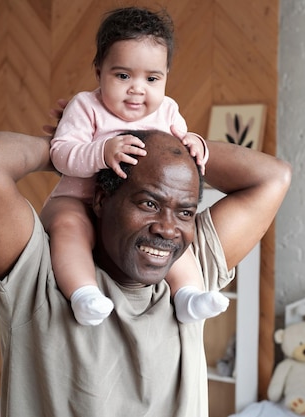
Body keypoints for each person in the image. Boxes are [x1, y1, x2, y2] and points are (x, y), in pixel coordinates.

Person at [0, 128, 291, 416]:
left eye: (186, 212)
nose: (168, 230)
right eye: (148, 204)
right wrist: (75, 150)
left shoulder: (190, 277)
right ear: (101, 199)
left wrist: (184, 142)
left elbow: (274, 177)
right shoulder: (41, 276)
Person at [44, 6, 227, 326]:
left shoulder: (167, 111)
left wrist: (195, 143)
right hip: (77, 199)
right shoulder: (86, 106)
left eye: (152, 78)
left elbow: (179, 145)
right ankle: (83, 294)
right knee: (68, 229)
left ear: (166, 77)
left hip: (136, 213)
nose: (137, 88)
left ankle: (188, 297)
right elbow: (61, 153)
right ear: (99, 70)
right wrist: (100, 151)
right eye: (123, 75)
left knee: (177, 245)